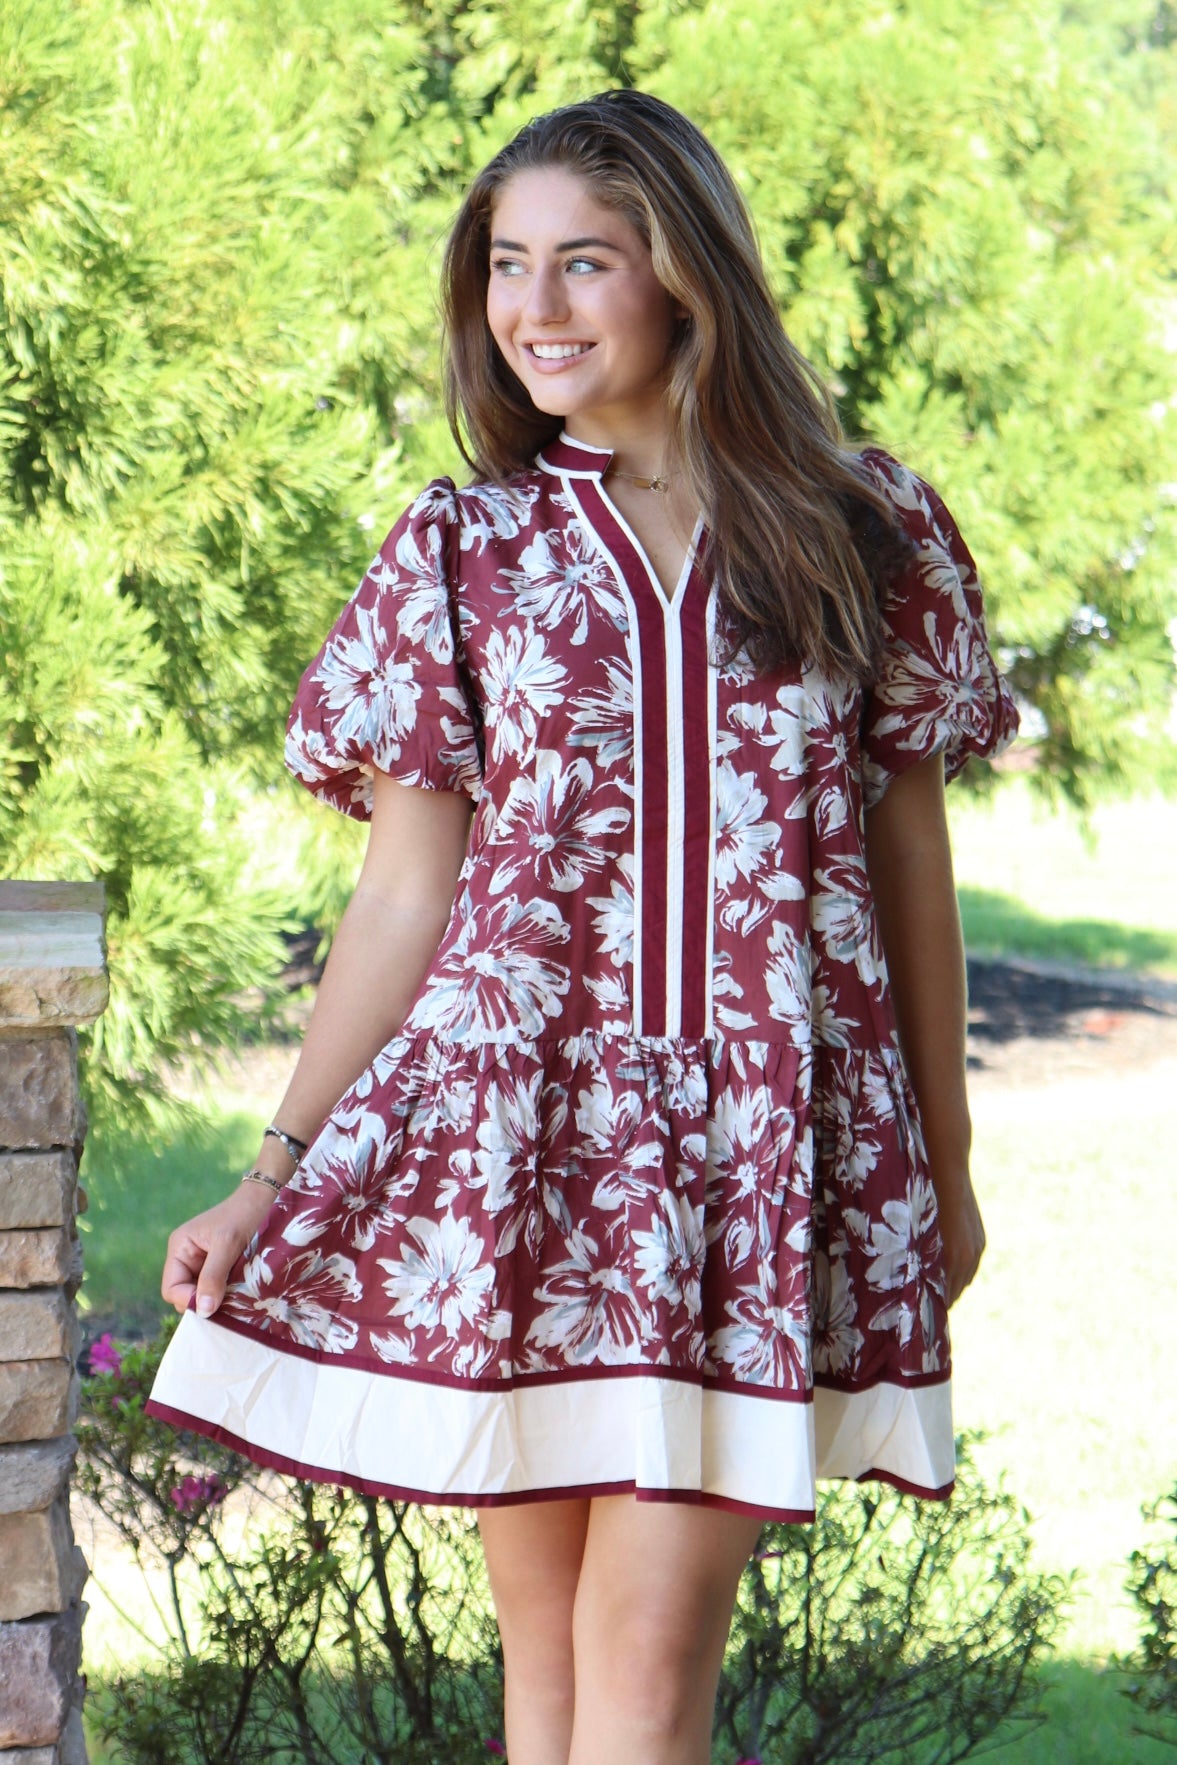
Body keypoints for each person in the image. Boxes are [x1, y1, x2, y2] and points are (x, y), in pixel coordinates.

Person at [147, 88, 1019, 1765]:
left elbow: (911, 877)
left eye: (584, 264)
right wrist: (271, 1168)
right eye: (505, 266)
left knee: (637, 1672)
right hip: (518, 1150)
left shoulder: (865, 532)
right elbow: (404, 896)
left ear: (684, 279)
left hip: (757, 1161)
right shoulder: (460, 553)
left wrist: (943, 1165)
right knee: (545, 1690)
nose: (531, 310)